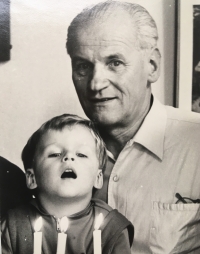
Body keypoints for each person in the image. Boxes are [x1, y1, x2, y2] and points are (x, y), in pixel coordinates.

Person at [66, 1, 200, 253]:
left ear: (152, 66)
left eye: (114, 63)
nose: (96, 84)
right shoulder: (57, 152)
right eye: (83, 66)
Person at [1, 114, 134, 254]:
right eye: (54, 154)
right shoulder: (13, 226)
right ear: (32, 178)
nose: (68, 157)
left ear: (98, 177)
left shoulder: (111, 228)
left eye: (81, 154)